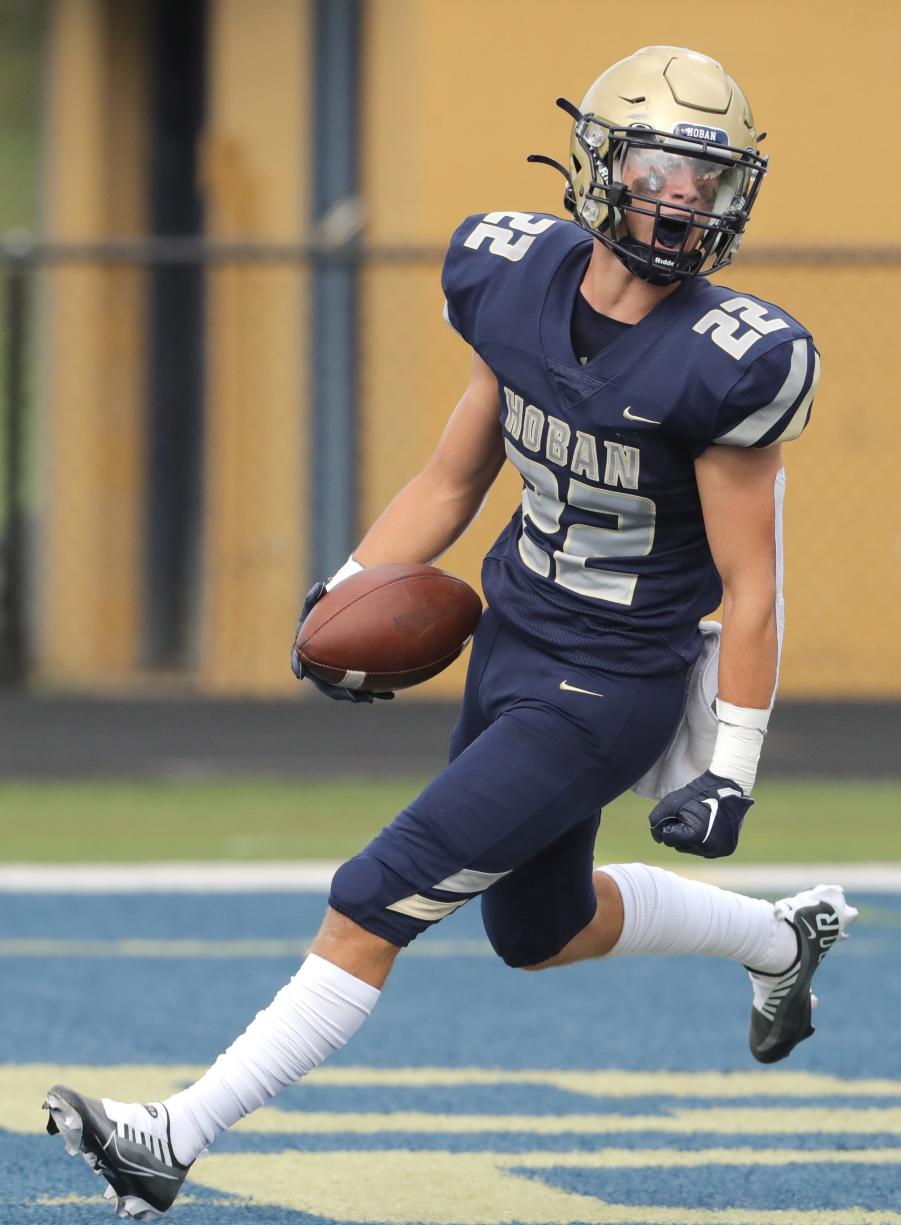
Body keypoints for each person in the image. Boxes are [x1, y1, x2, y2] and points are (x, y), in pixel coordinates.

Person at [44, 45, 856, 1221]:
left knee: (375, 892)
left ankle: (174, 1133)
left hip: (613, 682)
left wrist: (729, 769)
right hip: (515, 636)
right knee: (541, 927)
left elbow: (755, 582)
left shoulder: (731, 360)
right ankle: (780, 941)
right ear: (602, 160)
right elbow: (449, 477)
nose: (686, 197)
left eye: (711, 177)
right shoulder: (510, 277)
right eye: (665, 164)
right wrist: (344, 591)